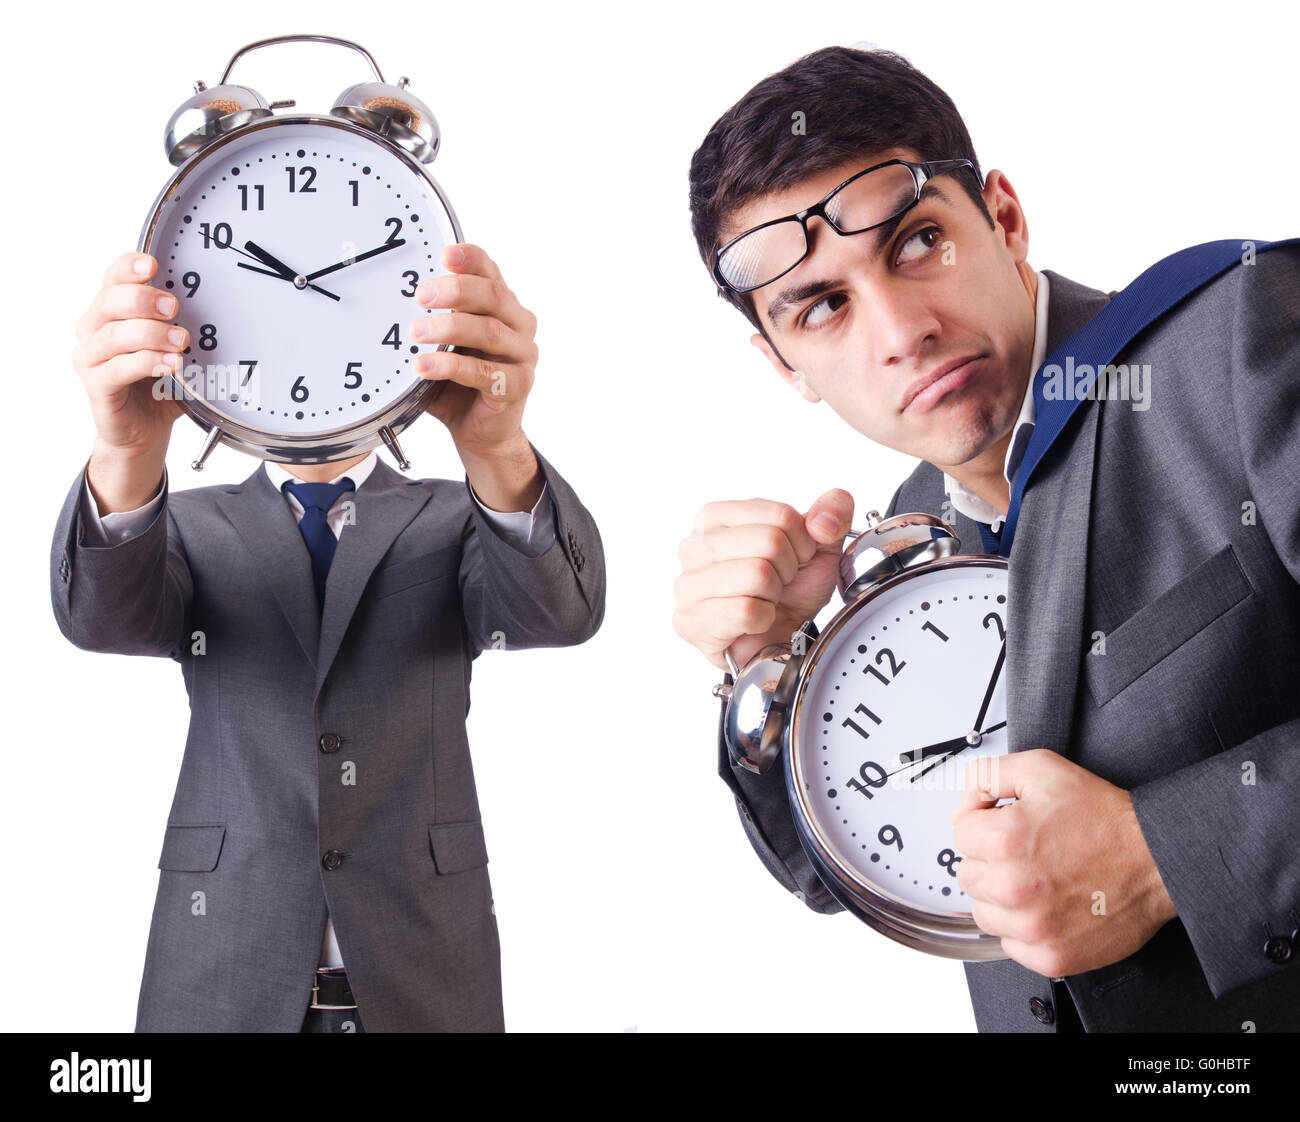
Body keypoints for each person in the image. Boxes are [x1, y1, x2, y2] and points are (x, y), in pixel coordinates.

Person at [672, 44, 1300, 1032]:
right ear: (782, 363)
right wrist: (769, 673)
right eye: (823, 306)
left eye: (916, 243)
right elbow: (849, 874)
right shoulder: (903, 534)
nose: (899, 329)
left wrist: (1165, 855)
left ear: (1002, 220)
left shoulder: (1238, 340)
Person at [51, 243, 605, 1032]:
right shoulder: (193, 525)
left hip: (424, 977)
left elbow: (558, 615)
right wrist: (127, 454)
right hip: (220, 973)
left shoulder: (456, 514)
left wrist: (497, 450)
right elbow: (100, 621)